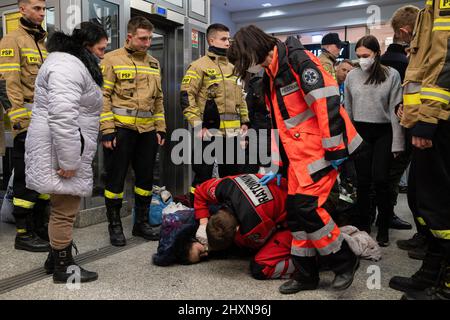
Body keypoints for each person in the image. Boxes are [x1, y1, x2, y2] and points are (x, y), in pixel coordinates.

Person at [228, 25, 362, 294]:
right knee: (296, 216)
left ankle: (344, 260)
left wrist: (335, 150)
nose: (248, 69)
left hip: (324, 149)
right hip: (299, 155)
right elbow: (278, 125)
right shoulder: (270, 75)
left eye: (245, 63)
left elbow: (327, 103)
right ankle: (305, 275)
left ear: (254, 52)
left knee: (308, 208)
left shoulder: (299, 62)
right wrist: (276, 165)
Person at [24, 22, 107, 283]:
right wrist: (69, 161)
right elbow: (62, 116)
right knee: (64, 209)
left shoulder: (68, 63)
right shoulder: (67, 66)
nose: (103, 54)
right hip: (60, 148)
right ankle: (63, 267)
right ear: (86, 46)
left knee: (61, 205)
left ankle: (54, 257)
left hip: (60, 144)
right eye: (100, 48)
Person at [392, 0, 450, 300]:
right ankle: (432, 272)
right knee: (427, 203)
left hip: (439, 121)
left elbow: (444, 64)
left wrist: (425, 121)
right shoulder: (430, 8)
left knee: (439, 207)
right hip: (427, 120)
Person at [100, 16, 166, 246]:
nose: (147, 43)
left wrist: (161, 128)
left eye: (150, 38)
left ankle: (141, 224)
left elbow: (158, 100)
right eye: (142, 38)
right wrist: (107, 130)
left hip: (147, 132)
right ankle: (115, 226)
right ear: (130, 36)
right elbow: (103, 97)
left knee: (146, 180)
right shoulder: (111, 59)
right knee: (116, 180)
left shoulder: (154, 63)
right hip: (121, 130)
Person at [344, 35, 404, 246]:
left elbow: (395, 110)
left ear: (377, 53)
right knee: (362, 182)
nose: (362, 60)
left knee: (381, 180)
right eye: (358, 56)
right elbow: (348, 111)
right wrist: (348, 141)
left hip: (384, 131)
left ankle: (384, 225)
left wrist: (398, 143)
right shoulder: (352, 76)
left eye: (366, 55)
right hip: (360, 131)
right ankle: (364, 225)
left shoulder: (391, 75)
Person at [0, 0, 50, 252]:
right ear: (22, 9)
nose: (42, 13)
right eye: (37, 8)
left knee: (42, 178)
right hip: (27, 124)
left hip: (45, 123)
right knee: (25, 177)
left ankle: (39, 226)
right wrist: (19, 124)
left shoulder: (42, 43)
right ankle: (23, 233)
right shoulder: (12, 40)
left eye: (44, 9)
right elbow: (7, 85)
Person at [180, 23, 250, 203]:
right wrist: (198, 126)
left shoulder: (234, 68)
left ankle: (228, 216)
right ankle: (195, 216)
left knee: (233, 177)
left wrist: (245, 122)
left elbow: (240, 98)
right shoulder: (198, 66)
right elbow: (187, 98)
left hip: (233, 134)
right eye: (224, 39)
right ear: (211, 40)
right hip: (208, 133)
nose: (228, 43)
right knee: (202, 176)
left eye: (229, 39)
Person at [379, 5, 420, 233]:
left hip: (382, 127)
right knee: (397, 176)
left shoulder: (382, 63)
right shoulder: (408, 63)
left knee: (386, 175)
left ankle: (384, 214)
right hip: (408, 126)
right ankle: (389, 214)